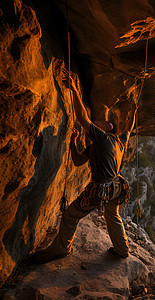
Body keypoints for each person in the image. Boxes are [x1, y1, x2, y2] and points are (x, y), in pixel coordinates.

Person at [33, 68, 137, 262]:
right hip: (116, 186)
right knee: (112, 214)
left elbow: (83, 119)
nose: (100, 123)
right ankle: (122, 249)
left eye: (105, 124)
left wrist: (73, 89)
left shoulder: (104, 139)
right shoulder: (117, 142)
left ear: (109, 130)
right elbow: (78, 161)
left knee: (71, 215)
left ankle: (60, 249)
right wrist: (133, 112)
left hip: (101, 188)